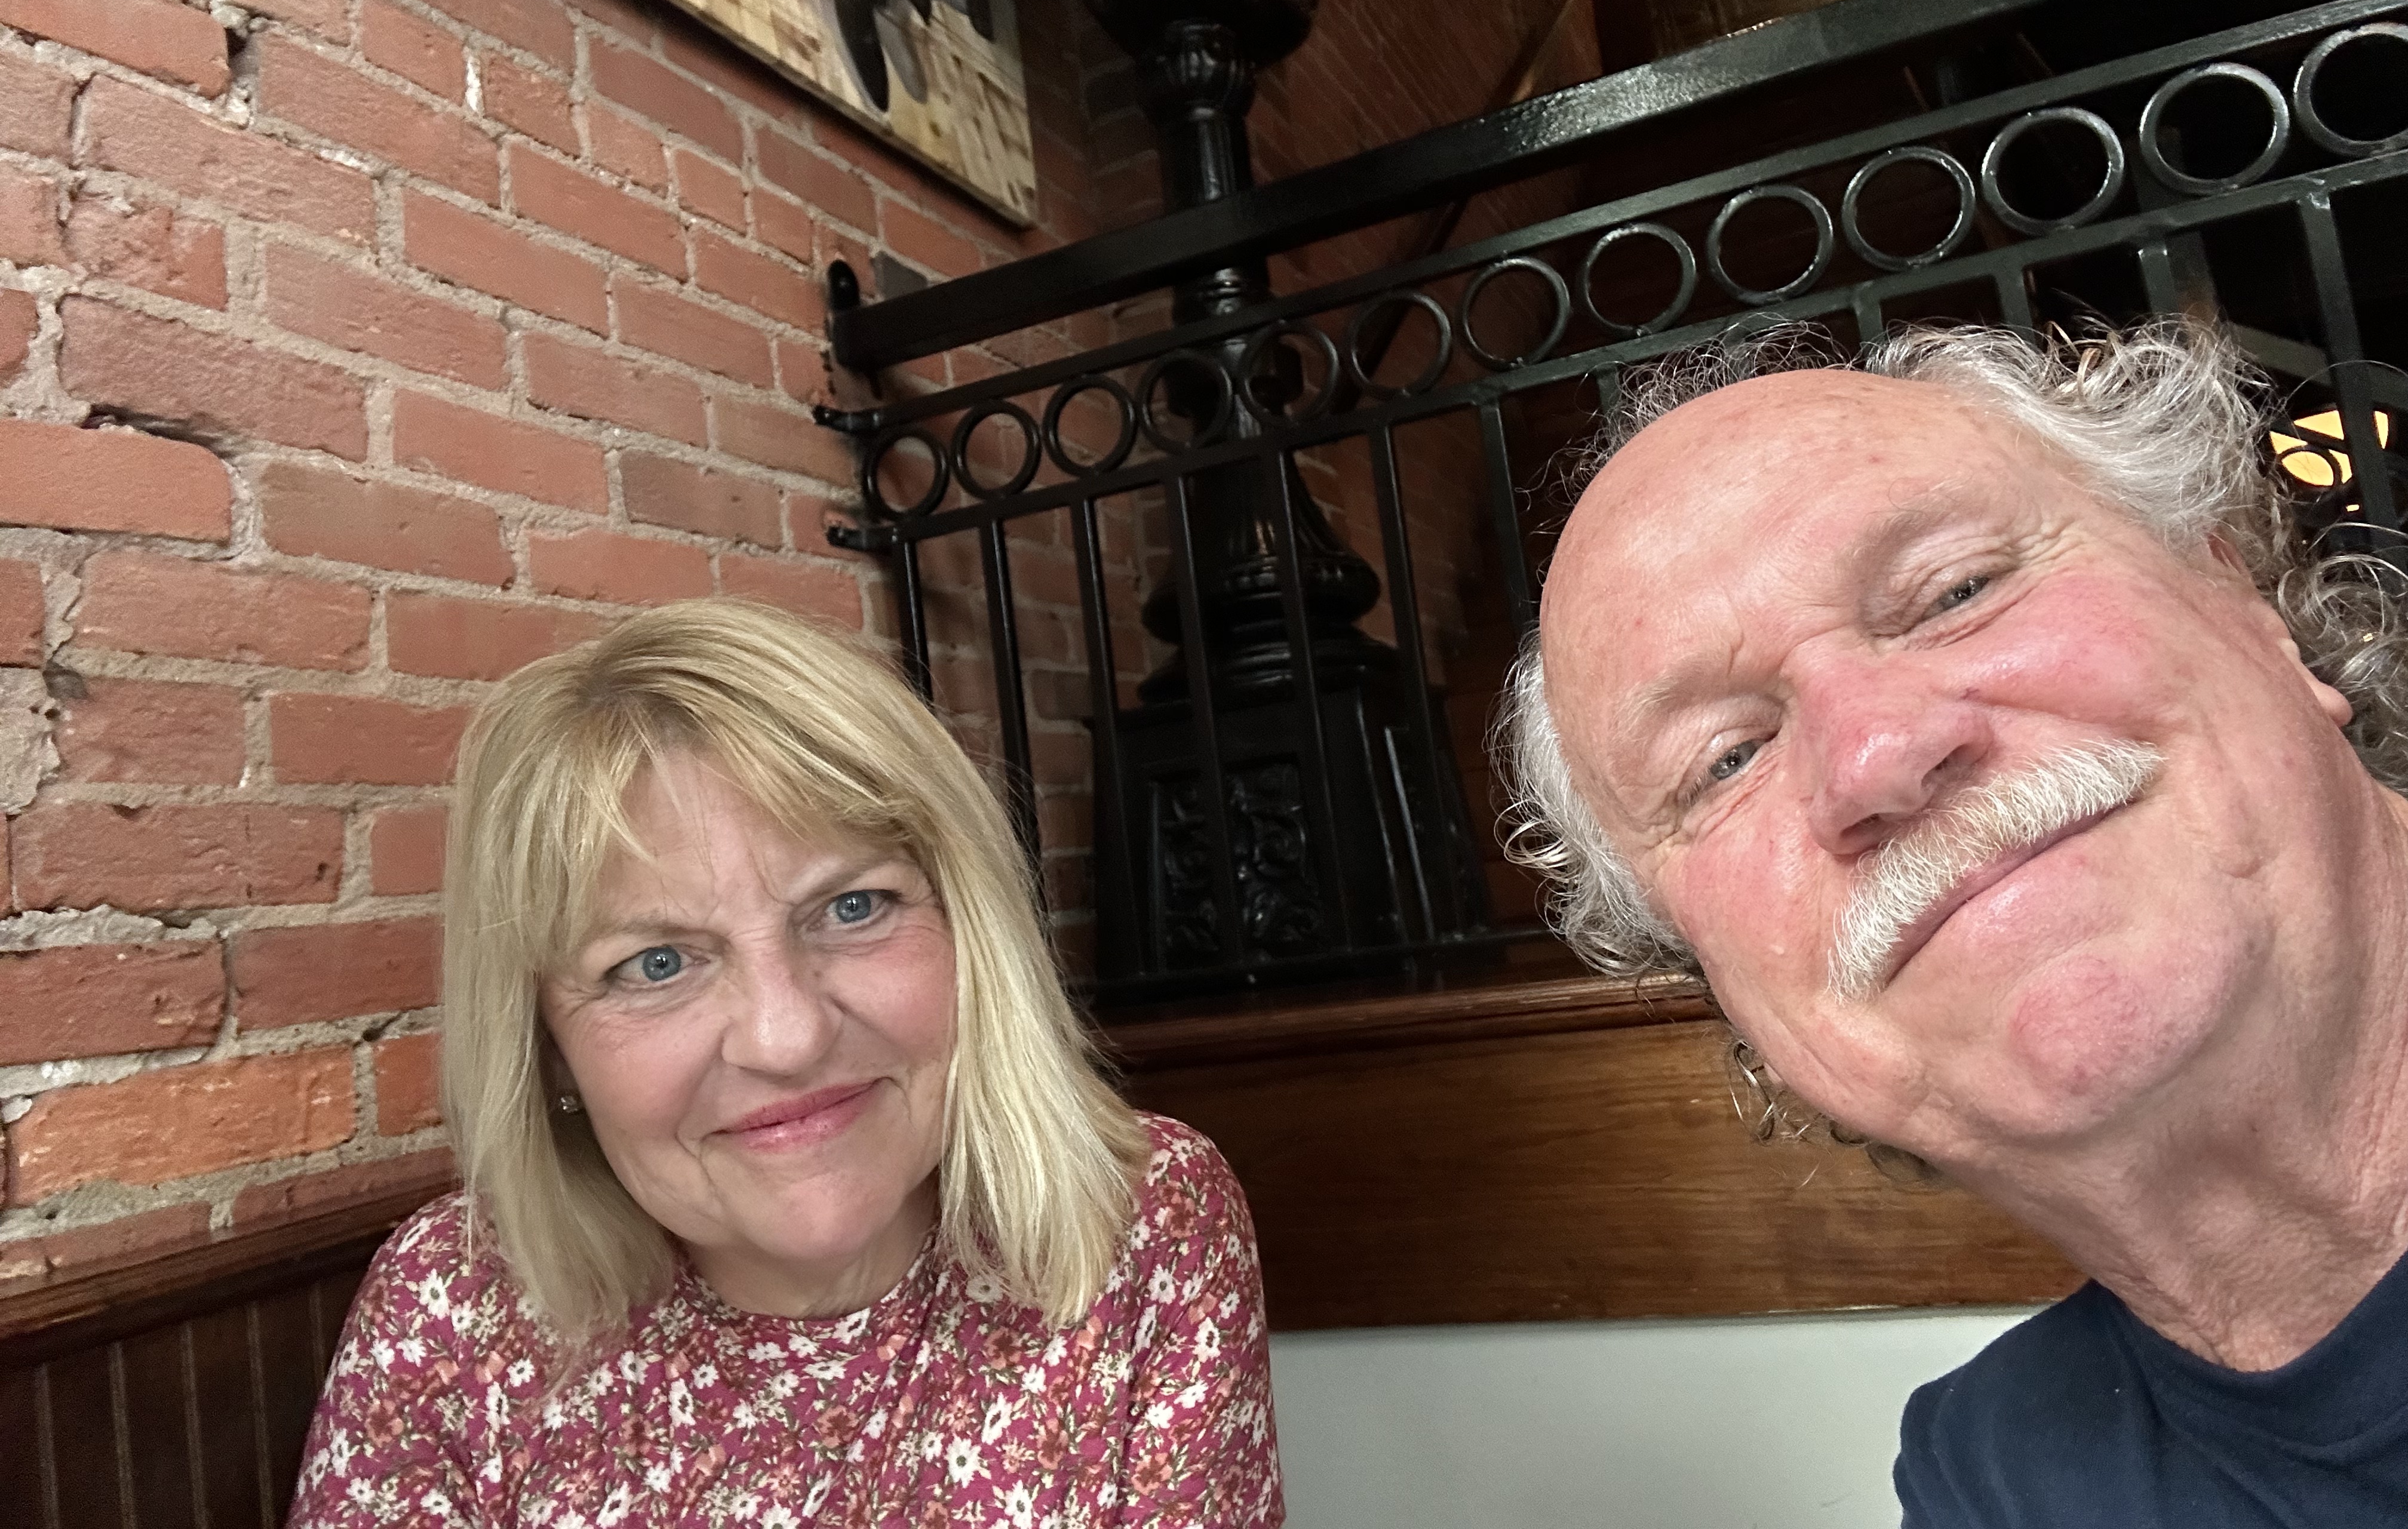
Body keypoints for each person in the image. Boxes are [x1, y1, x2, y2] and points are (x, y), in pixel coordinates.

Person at [1499, 321, 2408, 1525]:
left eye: (1956, 591)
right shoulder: (1994, 1472)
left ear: (2244, 603)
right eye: (1725, 760)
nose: (1876, 756)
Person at [290, 598, 1280, 1528]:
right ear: (547, 1046)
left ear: (971, 930)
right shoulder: (452, 1306)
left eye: (854, 907)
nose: (786, 1036)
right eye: (656, 963)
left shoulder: (1138, 1220)